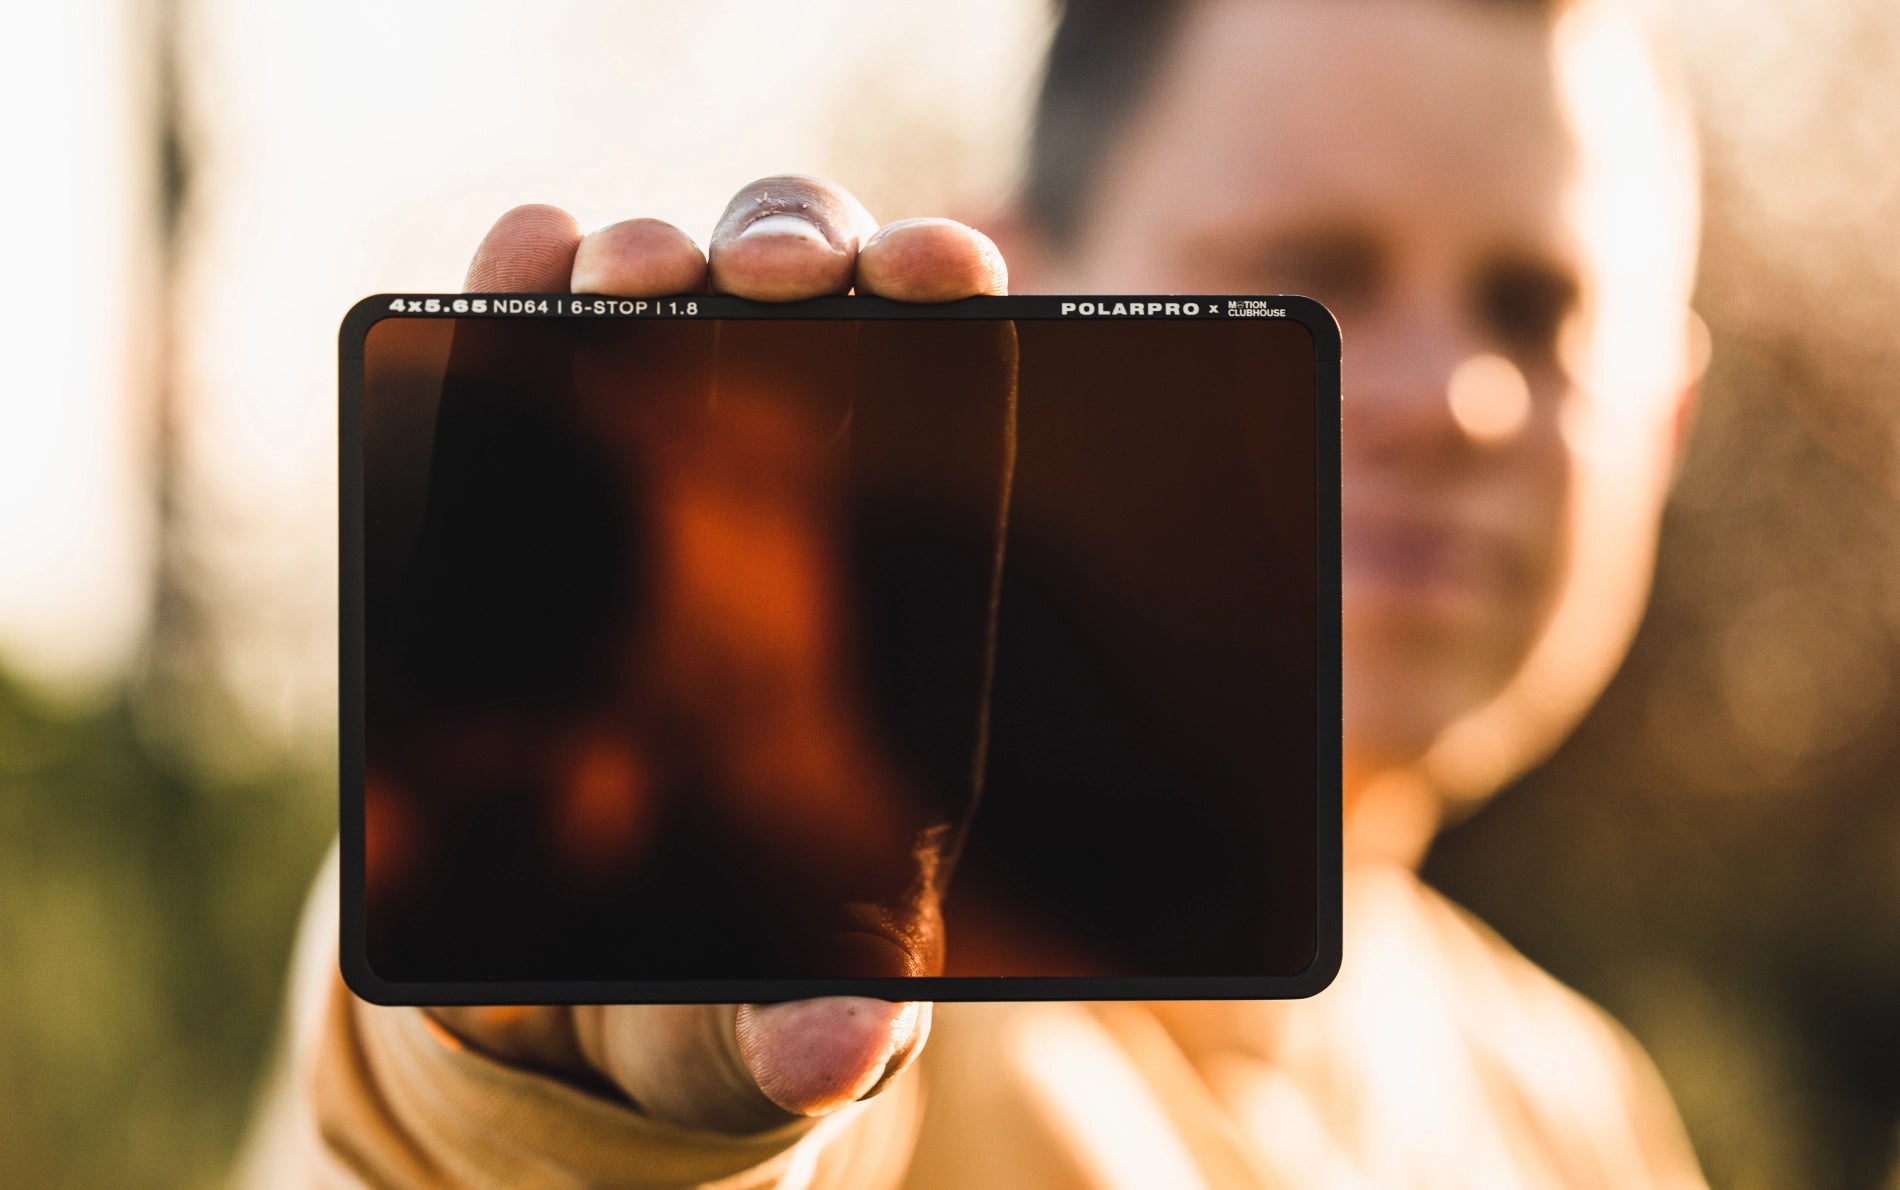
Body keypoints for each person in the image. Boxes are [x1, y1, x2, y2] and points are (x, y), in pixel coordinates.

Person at [238, 0, 1712, 1184]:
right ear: (1016, 305)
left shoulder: (1582, 1110)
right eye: (1313, 276)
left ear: (1668, 421)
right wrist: (547, 1093)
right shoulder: (846, 930)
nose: (1454, 401)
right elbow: (419, 1130)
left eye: (1541, 311)